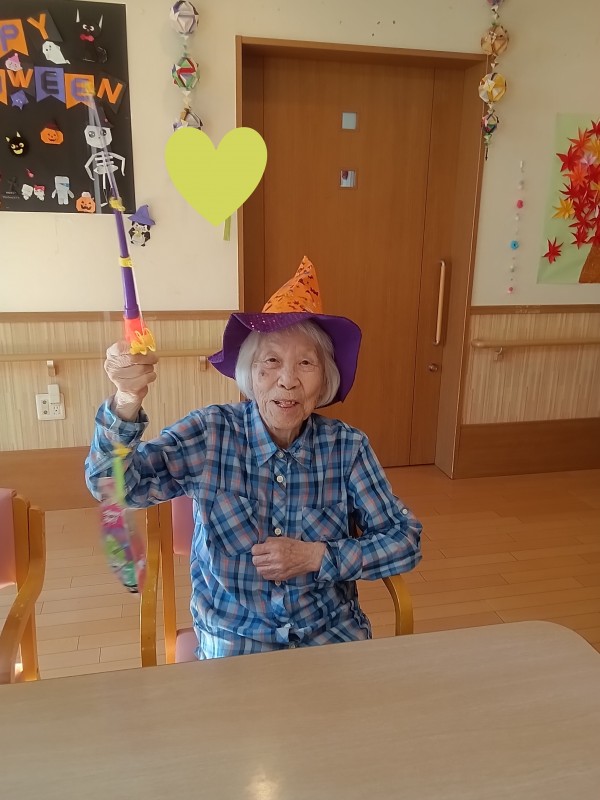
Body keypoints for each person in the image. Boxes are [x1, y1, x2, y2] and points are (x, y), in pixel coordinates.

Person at [85, 257, 422, 659]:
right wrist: (126, 401)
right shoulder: (210, 433)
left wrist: (318, 556)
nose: (288, 380)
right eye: (272, 361)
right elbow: (113, 486)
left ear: (324, 380)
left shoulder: (347, 448)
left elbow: (405, 541)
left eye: (306, 363)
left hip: (329, 634)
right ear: (250, 372)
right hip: (236, 639)